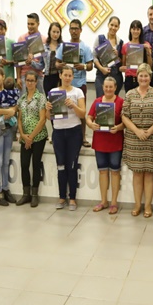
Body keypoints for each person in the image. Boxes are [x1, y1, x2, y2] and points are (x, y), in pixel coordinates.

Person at [122, 63, 153, 218]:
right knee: (137, 173)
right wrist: (137, 131)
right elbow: (124, 116)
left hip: (152, 139)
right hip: (134, 139)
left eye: (146, 75)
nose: (143, 78)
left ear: (150, 77)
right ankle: (137, 204)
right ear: (137, 77)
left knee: (150, 173)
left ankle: (148, 206)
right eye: (141, 75)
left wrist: (149, 132)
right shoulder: (130, 94)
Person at [46, 65, 85, 211]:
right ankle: (62, 197)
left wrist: (73, 105)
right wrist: (48, 109)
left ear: (73, 77)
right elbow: (48, 117)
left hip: (74, 132)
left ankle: (72, 198)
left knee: (72, 166)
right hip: (58, 132)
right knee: (60, 166)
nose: (67, 78)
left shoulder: (78, 92)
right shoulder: (53, 92)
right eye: (65, 75)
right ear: (60, 75)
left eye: (70, 75)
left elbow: (82, 114)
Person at [87, 76, 124, 214]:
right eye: (106, 86)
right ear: (103, 87)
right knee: (102, 171)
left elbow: (126, 121)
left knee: (115, 171)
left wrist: (118, 127)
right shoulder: (97, 101)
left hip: (115, 141)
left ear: (115, 88)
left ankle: (114, 202)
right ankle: (103, 201)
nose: (108, 89)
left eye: (111, 87)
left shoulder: (121, 102)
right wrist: (91, 124)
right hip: (100, 141)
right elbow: (89, 117)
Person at [55, 19, 94, 147]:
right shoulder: (63, 47)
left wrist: (83, 66)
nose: (74, 31)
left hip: (80, 84)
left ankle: (83, 138)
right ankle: (60, 136)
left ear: (81, 30)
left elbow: (90, 66)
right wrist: (60, 65)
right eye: (72, 28)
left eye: (76, 28)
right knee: (62, 110)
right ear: (69, 30)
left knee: (81, 112)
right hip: (65, 85)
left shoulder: (85, 47)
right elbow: (56, 63)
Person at [16, 71, 48, 207]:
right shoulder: (22, 99)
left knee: (35, 164)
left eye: (32, 81)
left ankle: (35, 194)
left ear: (36, 82)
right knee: (24, 165)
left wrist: (31, 137)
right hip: (25, 137)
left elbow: (42, 119)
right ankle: (26, 194)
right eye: (27, 80)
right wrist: (23, 135)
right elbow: (19, 119)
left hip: (38, 137)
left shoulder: (40, 98)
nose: (29, 83)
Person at [0, 68, 19, 206]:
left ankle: (6, 189)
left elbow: (17, 106)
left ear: (3, 76)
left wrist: (11, 111)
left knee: (6, 161)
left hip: (9, 129)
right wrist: (8, 111)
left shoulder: (11, 91)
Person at [94, 16, 124, 98]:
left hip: (116, 76)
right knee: (101, 100)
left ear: (118, 27)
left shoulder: (120, 42)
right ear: (108, 25)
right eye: (112, 25)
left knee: (113, 100)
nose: (113, 28)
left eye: (116, 26)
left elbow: (122, 62)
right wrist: (101, 68)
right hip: (101, 75)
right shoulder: (100, 39)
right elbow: (94, 57)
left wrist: (117, 56)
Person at [17, 12, 46, 93]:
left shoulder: (44, 40)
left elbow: (44, 63)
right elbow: (18, 61)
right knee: (24, 99)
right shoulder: (21, 38)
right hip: (24, 75)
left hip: (38, 76)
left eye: (32, 24)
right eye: (28, 24)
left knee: (40, 99)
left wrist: (32, 62)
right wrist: (18, 77)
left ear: (38, 24)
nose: (30, 26)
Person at [121, 20, 152, 93]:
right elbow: (124, 65)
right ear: (130, 30)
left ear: (141, 31)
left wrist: (147, 50)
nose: (135, 31)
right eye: (134, 29)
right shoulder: (125, 46)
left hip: (142, 78)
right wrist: (123, 67)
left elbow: (150, 64)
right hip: (129, 79)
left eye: (138, 29)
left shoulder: (146, 44)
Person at [42, 22, 62, 96]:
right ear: (49, 32)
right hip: (48, 78)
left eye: (57, 32)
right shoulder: (44, 47)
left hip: (59, 78)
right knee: (48, 100)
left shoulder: (62, 47)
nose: (55, 34)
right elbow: (41, 65)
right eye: (53, 32)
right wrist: (31, 62)